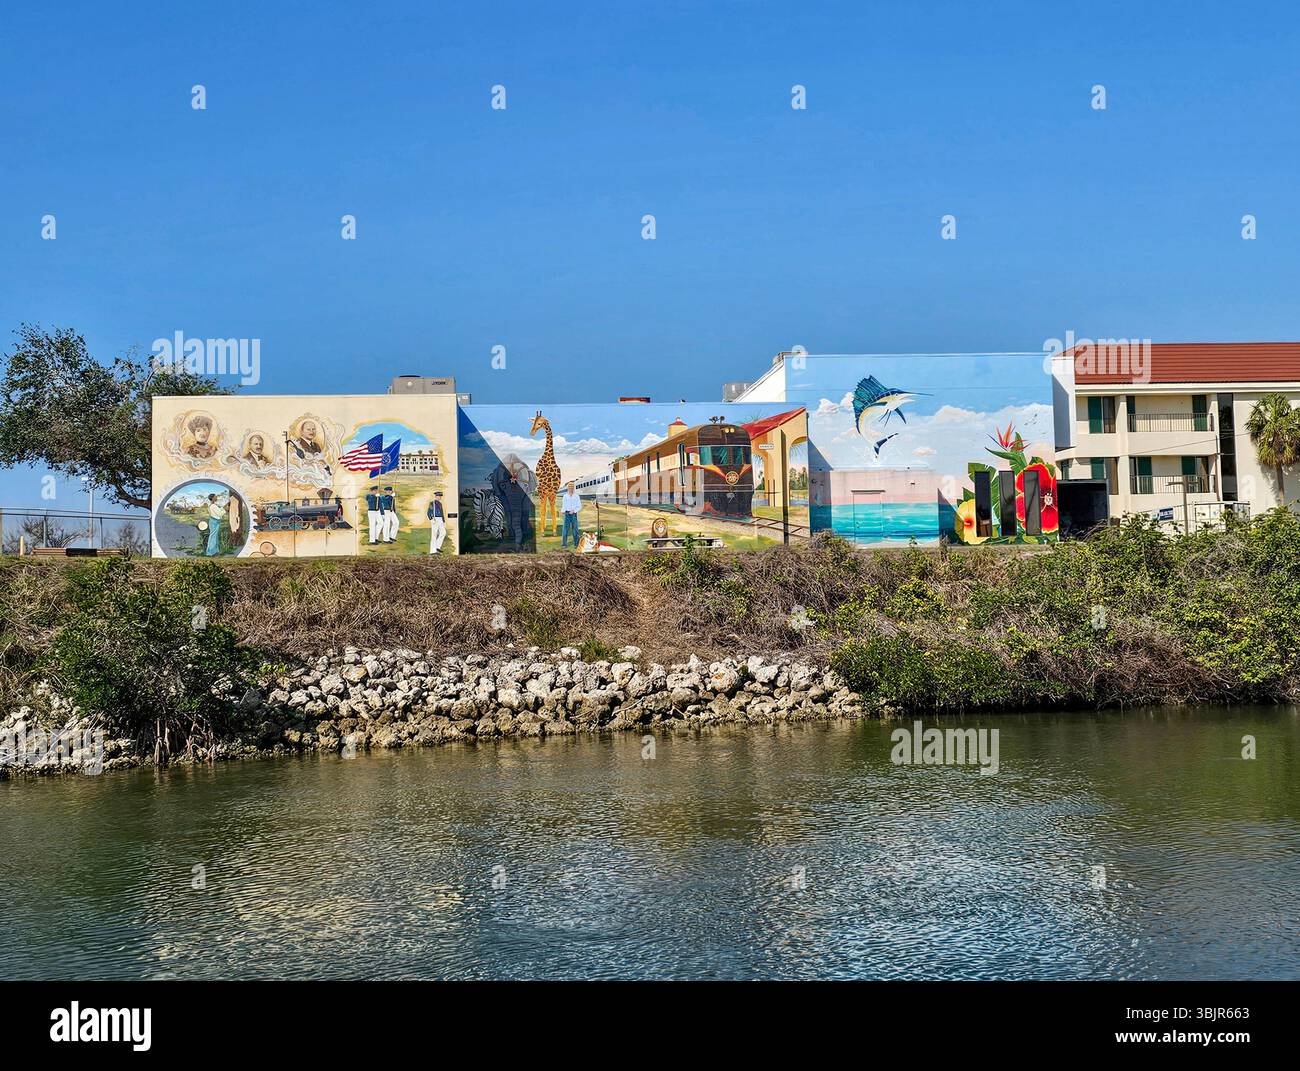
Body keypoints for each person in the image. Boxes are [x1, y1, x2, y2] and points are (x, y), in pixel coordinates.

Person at [560, 479, 582, 549]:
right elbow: (564, 505)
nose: (571, 488)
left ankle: (576, 544)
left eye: (572, 487)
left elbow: (579, 506)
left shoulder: (577, 496)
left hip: (574, 515)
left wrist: (574, 510)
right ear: (568, 488)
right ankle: (564, 544)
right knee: (565, 530)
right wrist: (562, 510)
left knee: (575, 530)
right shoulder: (565, 496)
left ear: (573, 487)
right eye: (569, 487)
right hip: (566, 515)